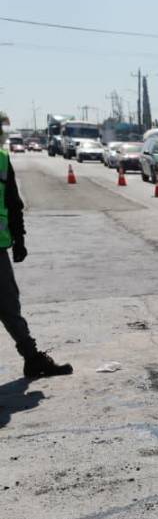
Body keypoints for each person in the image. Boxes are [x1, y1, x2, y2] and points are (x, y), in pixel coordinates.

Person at [0, 149, 73, 379]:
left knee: (9, 305)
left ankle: (32, 358)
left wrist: (19, 238)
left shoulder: (1, 158)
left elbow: (12, 200)